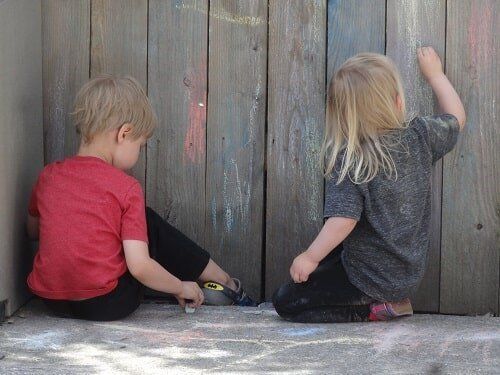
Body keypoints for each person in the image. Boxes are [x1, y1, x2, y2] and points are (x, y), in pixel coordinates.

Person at [26, 75, 255, 321]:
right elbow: (139, 266)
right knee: (147, 223)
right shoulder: (125, 187)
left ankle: (218, 281)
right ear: (124, 134)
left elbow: (33, 231)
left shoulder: (49, 176)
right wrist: (180, 286)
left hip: (50, 300)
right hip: (106, 303)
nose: (139, 152)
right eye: (140, 145)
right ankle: (224, 283)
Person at [272, 47, 466, 323]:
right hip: (406, 273)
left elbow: (343, 221)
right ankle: (388, 299)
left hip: (367, 278)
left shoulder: (352, 158)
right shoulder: (421, 136)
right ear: (398, 102)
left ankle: (372, 310)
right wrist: (436, 75)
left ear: (340, 115)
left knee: (287, 301)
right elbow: (457, 119)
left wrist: (309, 257)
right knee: (333, 258)